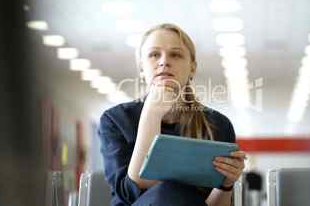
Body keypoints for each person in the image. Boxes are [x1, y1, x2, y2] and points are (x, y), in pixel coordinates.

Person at [98, 23, 246, 206]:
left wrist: (226, 184)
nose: (164, 61)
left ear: (192, 68)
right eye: (154, 55)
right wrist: (152, 114)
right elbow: (131, 192)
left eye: (175, 55)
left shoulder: (218, 124)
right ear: (142, 69)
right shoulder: (115, 120)